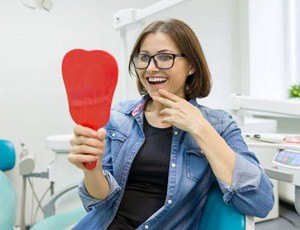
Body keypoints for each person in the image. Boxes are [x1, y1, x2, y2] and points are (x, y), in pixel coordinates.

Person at [68, 18, 274, 230]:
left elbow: (260, 202)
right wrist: (92, 168)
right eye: (144, 58)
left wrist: (200, 128)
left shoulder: (218, 124)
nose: (151, 68)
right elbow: (100, 203)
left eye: (165, 57)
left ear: (192, 65)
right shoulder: (119, 117)